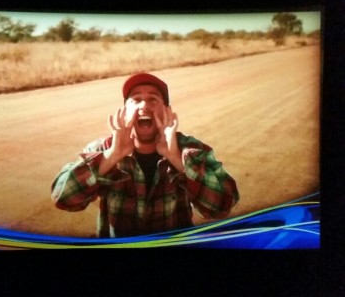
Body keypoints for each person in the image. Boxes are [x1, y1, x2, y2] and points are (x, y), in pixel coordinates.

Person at [51, 72, 239, 238]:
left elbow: (223, 204)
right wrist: (112, 156)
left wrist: (176, 158)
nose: (144, 106)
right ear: (124, 112)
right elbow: (63, 198)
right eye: (136, 99)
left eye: (153, 99)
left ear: (167, 111)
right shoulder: (104, 148)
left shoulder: (190, 149)